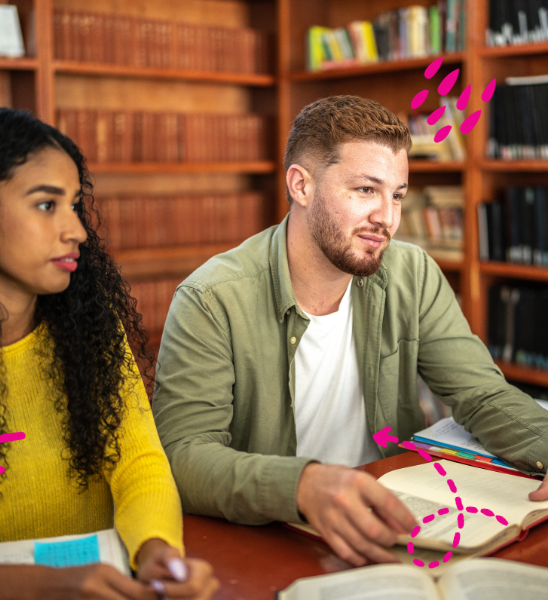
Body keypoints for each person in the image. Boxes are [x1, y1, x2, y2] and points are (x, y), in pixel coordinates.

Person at [152, 95, 548, 568]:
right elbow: (183, 456)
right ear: (301, 185)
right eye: (365, 190)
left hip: (393, 525)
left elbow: (481, 394)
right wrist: (304, 484)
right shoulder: (211, 299)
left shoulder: (411, 272)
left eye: (397, 194)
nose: (388, 218)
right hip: (273, 535)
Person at [0, 106, 218, 600]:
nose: (76, 229)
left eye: (75, 204)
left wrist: (158, 550)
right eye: (47, 205)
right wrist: (15, 586)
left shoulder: (90, 332)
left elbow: (138, 461)